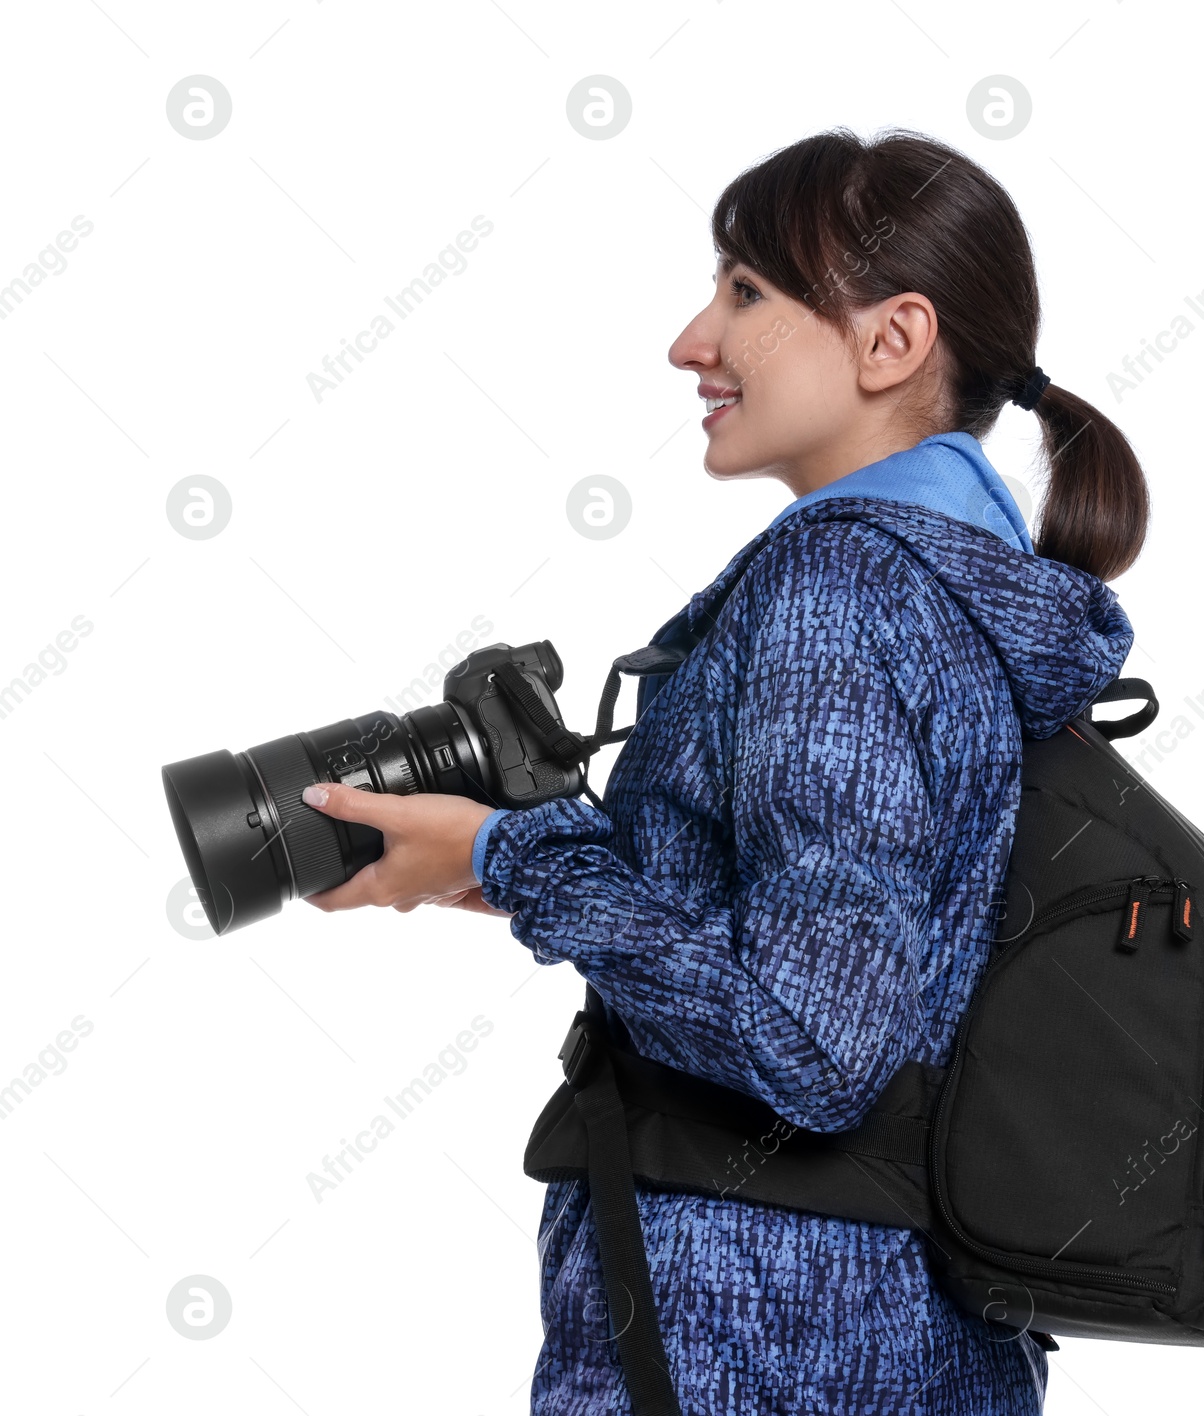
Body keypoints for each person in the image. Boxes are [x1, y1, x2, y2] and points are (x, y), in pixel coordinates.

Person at [300, 127, 1150, 1415]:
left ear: (892, 342)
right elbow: (861, 971)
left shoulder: (842, 591)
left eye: (747, 293)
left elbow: (810, 1043)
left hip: (753, 1344)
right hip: (892, 1331)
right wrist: (530, 876)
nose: (693, 340)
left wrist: (502, 851)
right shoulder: (951, 595)